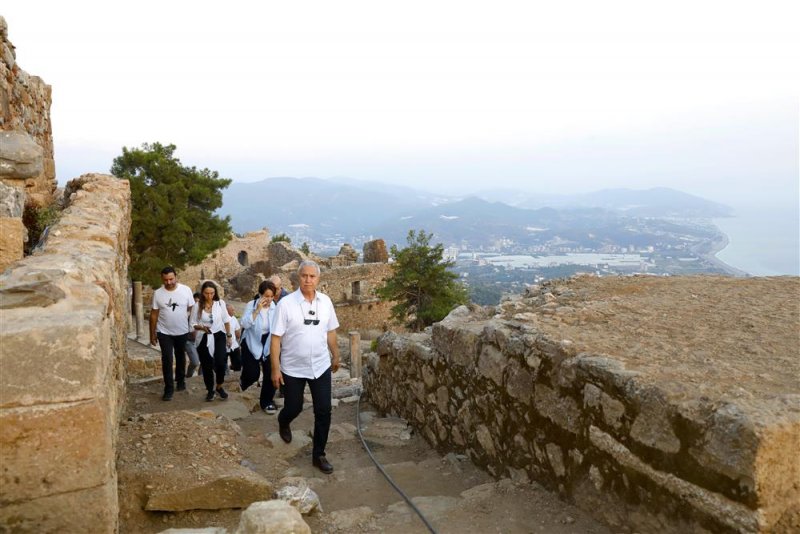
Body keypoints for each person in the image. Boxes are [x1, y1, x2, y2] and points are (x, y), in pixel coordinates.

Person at [270, 260, 340, 474]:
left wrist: (335, 355)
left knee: (324, 410)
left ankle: (319, 454)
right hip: (293, 368)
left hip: (320, 365)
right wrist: (275, 369)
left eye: (312, 276)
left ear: (318, 279)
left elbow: (330, 331)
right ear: (298, 278)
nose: (308, 280)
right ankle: (284, 420)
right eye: (304, 276)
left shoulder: (326, 302)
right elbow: (275, 339)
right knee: (294, 406)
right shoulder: (286, 304)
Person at [150, 266, 194, 401]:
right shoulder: (158, 293)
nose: (168, 282)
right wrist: (152, 334)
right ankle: (168, 388)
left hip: (182, 331)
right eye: (165, 280)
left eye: (171, 279)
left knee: (181, 357)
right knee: (167, 359)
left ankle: (181, 381)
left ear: (176, 276)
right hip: (164, 332)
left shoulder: (186, 290)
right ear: (162, 279)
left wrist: (192, 328)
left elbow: (192, 309)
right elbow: (153, 315)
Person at [240, 280, 279, 413]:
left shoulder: (276, 308)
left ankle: (267, 402)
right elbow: (244, 324)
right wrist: (257, 311)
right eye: (266, 296)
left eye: (271, 296)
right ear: (260, 295)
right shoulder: (251, 305)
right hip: (251, 341)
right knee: (252, 373)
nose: (268, 299)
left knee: (271, 372)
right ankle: (243, 384)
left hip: (268, 342)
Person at [191, 281, 233, 401]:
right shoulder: (197, 306)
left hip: (219, 335)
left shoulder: (220, 303)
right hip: (204, 336)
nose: (209, 296)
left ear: (215, 292)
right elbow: (192, 324)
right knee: (207, 365)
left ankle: (219, 386)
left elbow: (226, 320)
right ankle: (210, 390)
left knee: (221, 362)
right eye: (206, 293)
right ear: (202, 292)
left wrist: (229, 336)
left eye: (212, 293)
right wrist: (202, 328)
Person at [185, 292, 201, 378]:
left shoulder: (204, 315)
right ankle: (188, 376)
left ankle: (201, 379)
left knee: (205, 362)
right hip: (189, 341)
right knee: (195, 362)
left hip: (201, 341)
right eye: (195, 302)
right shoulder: (185, 316)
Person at [226, 303, 243, 373]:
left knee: (237, 365)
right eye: (232, 310)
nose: (234, 311)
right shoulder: (232, 319)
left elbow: (238, 334)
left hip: (233, 345)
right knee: (237, 366)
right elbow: (238, 334)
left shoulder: (234, 318)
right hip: (225, 345)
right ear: (227, 311)